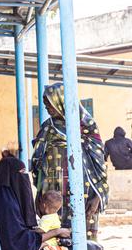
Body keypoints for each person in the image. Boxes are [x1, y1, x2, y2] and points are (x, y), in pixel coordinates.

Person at [31, 83, 109, 240]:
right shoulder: (48, 127)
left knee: (83, 231)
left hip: (84, 189)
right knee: (56, 231)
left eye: (49, 103)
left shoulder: (86, 125)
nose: (46, 108)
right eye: (45, 104)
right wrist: (40, 189)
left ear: (61, 101)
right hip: (53, 189)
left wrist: (99, 194)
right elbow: (37, 160)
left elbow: (99, 161)